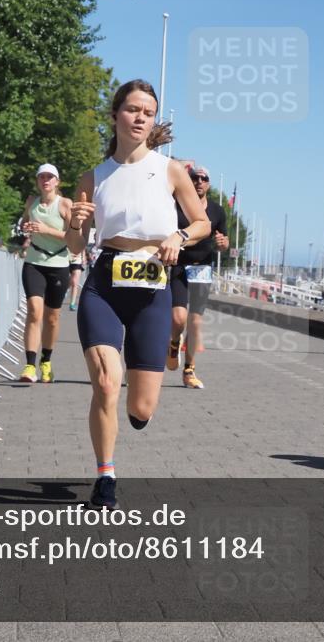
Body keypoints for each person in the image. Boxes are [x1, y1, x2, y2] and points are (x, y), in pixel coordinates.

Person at [66, 79, 210, 509]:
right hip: (105, 284)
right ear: (115, 116)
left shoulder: (169, 170)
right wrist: (76, 220)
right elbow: (75, 246)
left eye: (148, 111)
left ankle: (134, 411)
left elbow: (202, 223)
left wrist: (179, 237)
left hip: (153, 288)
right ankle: (105, 475)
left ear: (153, 121)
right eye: (132, 109)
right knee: (107, 383)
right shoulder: (92, 177)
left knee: (142, 409)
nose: (140, 117)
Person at [165, 165, 229, 388]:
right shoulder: (177, 206)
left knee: (195, 323)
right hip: (180, 265)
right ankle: (174, 343)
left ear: (209, 184)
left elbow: (224, 242)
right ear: (188, 180)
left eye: (204, 178)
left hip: (202, 268)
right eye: (195, 178)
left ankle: (189, 371)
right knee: (178, 318)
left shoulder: (217, 211)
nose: (199, 181)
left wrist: (223, 244)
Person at [18, 163, 72, 384]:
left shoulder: (65, 204)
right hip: (34, 262)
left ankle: (46, 361)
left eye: (50, 177)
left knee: (52, 318)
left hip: (59, 264)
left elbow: (74, 237)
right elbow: (23, 222)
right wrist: (25, 227)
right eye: (42, 177)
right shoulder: (31, 202)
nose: (46, 181)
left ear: (57, 182)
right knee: (34, 311)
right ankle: (29, 365)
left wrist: (46, 230)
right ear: (38, 181)